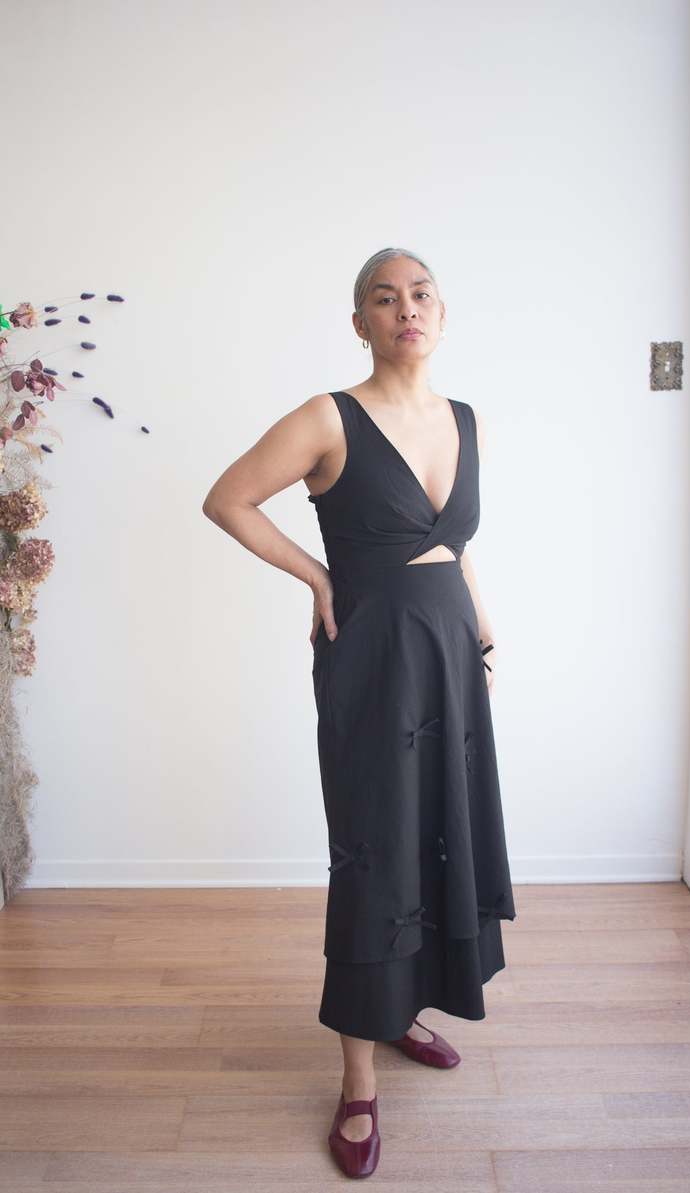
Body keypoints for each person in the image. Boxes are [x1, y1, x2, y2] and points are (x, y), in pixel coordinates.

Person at [203, 247, 516, 1178]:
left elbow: (453, 546)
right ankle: (358, 1080)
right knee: (375, 849)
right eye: (385, 297)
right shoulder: (327, 418)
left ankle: (401, 1009)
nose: (405, 308)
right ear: (361, 323)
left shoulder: (466, 421)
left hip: (451, 655)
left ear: (442, 313)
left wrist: (484, 630)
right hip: (374, 657)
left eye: (420, 294)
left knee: (438, 834)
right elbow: (227, 499)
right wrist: (315, 575)